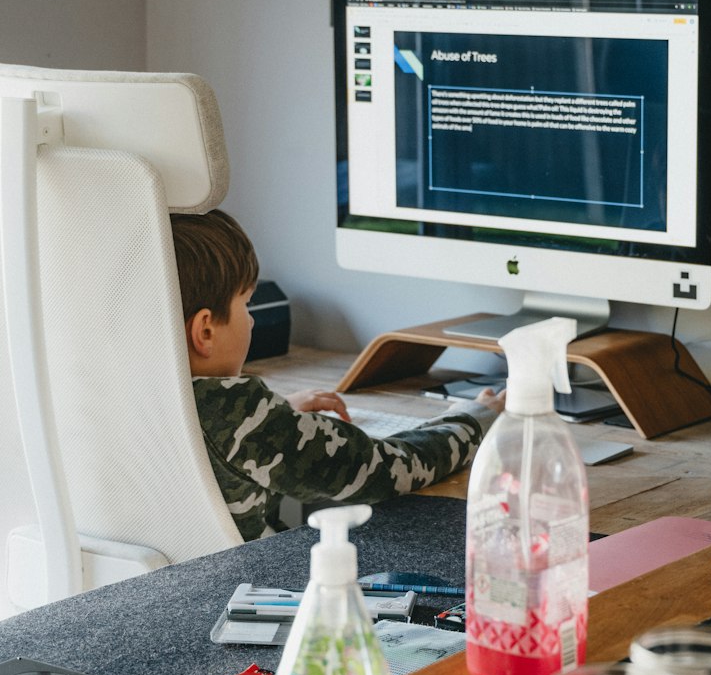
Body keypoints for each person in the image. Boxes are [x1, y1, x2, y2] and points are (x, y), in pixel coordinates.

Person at [170, 208, 504, 541]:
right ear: (206, 331)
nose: (253, 320)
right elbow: (387, 471)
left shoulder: (142, 397)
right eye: (246, 304)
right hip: (242, 585)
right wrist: (473, 419)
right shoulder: (237, 412)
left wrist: (278, 416)